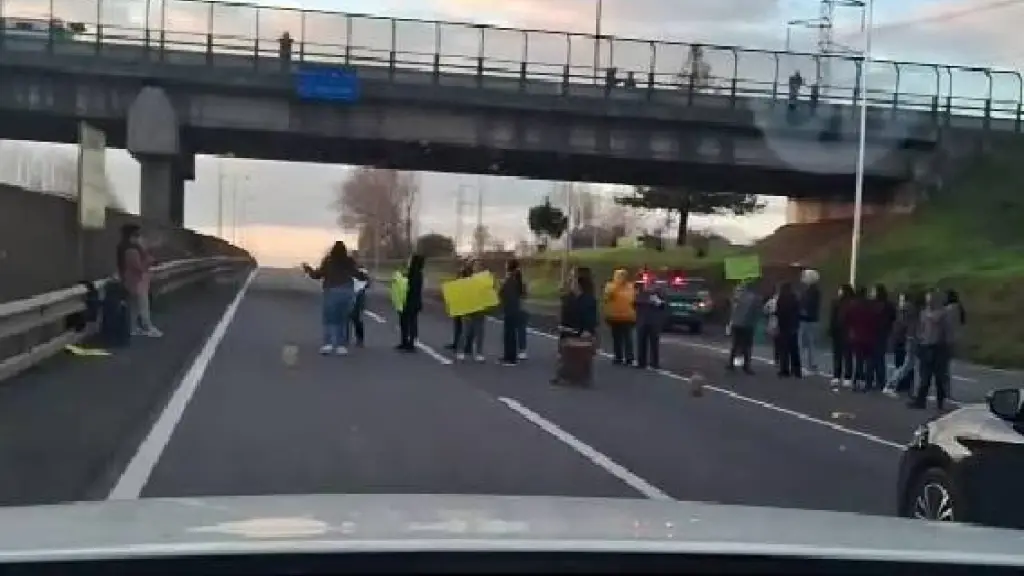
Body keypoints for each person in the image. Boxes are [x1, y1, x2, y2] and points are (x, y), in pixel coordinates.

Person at [302, 241, 358, 355]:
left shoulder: (328, 261)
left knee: (329, 318)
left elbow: (318, 275)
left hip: (331, 290)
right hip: (347, 291)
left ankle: (328, 344)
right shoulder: (349, 261)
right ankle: (341, 346)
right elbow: (356, 273)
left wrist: (308, 269)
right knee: (342, 319)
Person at [552, 267, 598, 386]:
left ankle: (583, 378)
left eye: (574, 281)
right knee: (565, 353)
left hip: (581, 331)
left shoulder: (588, 299)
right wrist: (561, 325)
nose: (572, 283)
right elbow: (563, 313)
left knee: (582, 354)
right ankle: (564, 375)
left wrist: (588, 330)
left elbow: (592, 317)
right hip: (568, 330)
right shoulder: (569, 298)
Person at [908, 289, 953, 411]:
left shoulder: (943, 314)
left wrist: (948, 346)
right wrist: (919, 340)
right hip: (926, 346)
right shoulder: (924, 313)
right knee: (925, 376)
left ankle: (939, 402)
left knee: (938, 377)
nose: (929, 301)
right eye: (928, 299)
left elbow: (947, 332)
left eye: (931, 299)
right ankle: (921, 401)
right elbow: (920, 329)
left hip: (938, 348)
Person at [116, 224, 162, 338]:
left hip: (130, 281)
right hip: (136, 282)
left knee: (135, 306)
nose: (139, 237)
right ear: (132, 236)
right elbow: (138, 267)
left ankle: (133, 328)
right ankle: (147, 327)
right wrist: (149, 262)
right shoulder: (131, 250)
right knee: (143, 305)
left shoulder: (124, 247)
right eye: (136, 235)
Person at [885, 289, 921, 396]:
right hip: (910, 337)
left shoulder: (904, 309)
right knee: (909, 364)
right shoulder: (914, 310)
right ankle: (906, 385)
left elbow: (900, 325)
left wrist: (895, 336)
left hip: (904, 338)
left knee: (904, 363)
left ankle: (893, 383)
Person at [843, 285, 879, 391]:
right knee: (869, 360)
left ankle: (856, 381)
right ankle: (866, 382)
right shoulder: (871, 306)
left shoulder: (853, 306)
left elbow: (846, 320)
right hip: (869, 337)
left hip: (856, 336)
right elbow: (875, 322)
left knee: (859, 360)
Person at [727, 279, 761, 374]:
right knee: (747, 346)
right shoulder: (755, 298)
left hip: (737, 323)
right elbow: (756, 312)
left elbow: (733, 309)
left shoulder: (737, 297)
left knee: (735, 344)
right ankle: (746, 366)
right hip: (748, 324)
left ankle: (731, 363)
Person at [866, 284, 897, 391]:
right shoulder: (888, 305)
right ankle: (880, 381)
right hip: (882, 333)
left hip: (873, 333)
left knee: (871, 359)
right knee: (879, 358)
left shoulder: (871, 305)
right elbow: (893, 318)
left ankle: (869, 381)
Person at [603, 269, 636, 365]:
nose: (622, 278)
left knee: (628, 338)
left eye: (624, 275)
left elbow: (634, 299)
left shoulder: (630, 286)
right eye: (620, 276)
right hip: (615, 316)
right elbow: (606, 298)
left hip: (628, 317)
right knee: (617, 338)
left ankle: (629, 357)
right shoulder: (611, 286)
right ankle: (618, 356)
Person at [635, 273, 667, 370]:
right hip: (643, 321)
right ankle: (642, 362)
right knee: (642, 342)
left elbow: (663, 306)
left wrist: (658, 302)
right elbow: (635, 304)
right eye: (649, 282)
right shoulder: (640, 292)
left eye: (652, 282)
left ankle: (654, 362)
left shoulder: (660, 292)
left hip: (653, 321)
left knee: (654, 343)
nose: (650, 284)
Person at [457, 259, 487, 362]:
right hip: (468, 308)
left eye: (479, 265)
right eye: (476, 265)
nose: (478, 267)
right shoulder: (466, 277)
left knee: (480, 332)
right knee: (466, 331)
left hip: (480, 309)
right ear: (472, 267)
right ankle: (461, 351)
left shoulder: (484, 279)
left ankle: (479, 353)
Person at [498, 259, 527, 366]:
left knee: (510, 334)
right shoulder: (514, 278)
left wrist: (500, 290)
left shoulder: (511, 279)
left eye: (506, 265)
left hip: (511, 309)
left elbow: (505, 294)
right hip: (513, 308)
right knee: (508, 334)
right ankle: (507, 355)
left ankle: (511, 358)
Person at [828, 284, 855, 387]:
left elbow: (833, 318)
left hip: (839, 331)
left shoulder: (837, 303)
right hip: (846, 332)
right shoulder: (852, 303)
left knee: (839, 355)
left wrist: (831, 330)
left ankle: (837, 376)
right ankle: (846, 377)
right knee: (847, 355)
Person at [397, 253, 425, 352]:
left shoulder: (415, 274)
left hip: (411, 301)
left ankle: (410, 343)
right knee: (406, 322)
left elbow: (411, 288)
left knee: (410, 322)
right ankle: (405, 341)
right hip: (412, 301)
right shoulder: (414, 272)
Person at [774, 282, 802, 378]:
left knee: (784, 350)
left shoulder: (781, 298)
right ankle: (797, 370)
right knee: (794, 350)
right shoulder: (795, 298)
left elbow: (779, 312)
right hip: (793, 326)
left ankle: (785, 370)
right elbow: (798, 311)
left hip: (784, 326)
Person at [446, 259, 474, 351]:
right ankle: (456, 343)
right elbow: (456, 284)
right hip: (459, 301)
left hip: (467, 302)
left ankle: (468, 346)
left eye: (467, 263)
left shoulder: (471, 274)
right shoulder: (461, 273)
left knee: (466, 325)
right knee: (458, 324)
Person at [797, 268, 822, 374]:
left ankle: (807, 364)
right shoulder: (810, 291)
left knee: (804, 342)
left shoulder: (812, 291)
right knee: (809, 343)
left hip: (807, 319)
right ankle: (811, 364)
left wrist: (802, 310)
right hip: (809, 319)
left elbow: (809, 305)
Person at [350, 266, 370, 347]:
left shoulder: (359, 281)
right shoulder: (360, 281)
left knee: (356, 320)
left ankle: (359, 340)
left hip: (357, 299)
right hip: (357, 299)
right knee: (356, 320)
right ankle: (359, 340)